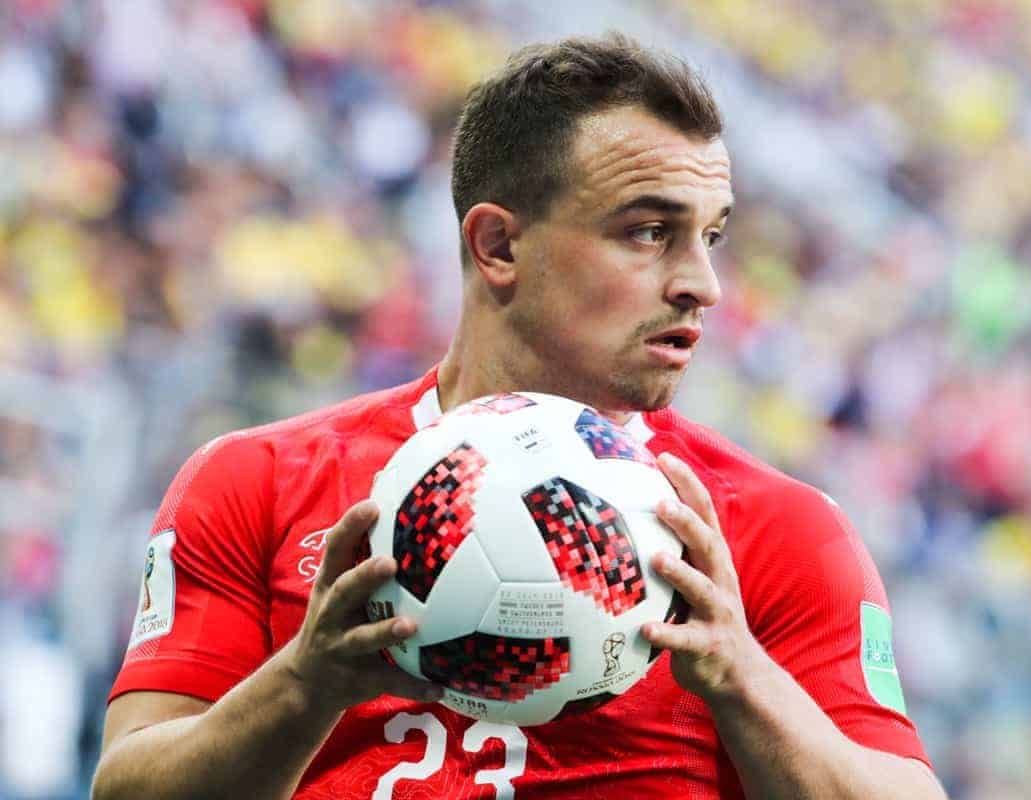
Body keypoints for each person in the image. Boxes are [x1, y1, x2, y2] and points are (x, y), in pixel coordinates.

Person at [93, 33, 946, 800]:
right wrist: (305, 685)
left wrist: (742, 676)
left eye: (711, 237)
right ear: (497, 245)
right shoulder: (258, 483)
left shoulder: (775, 531)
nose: (702, 284)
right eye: (650, 232)